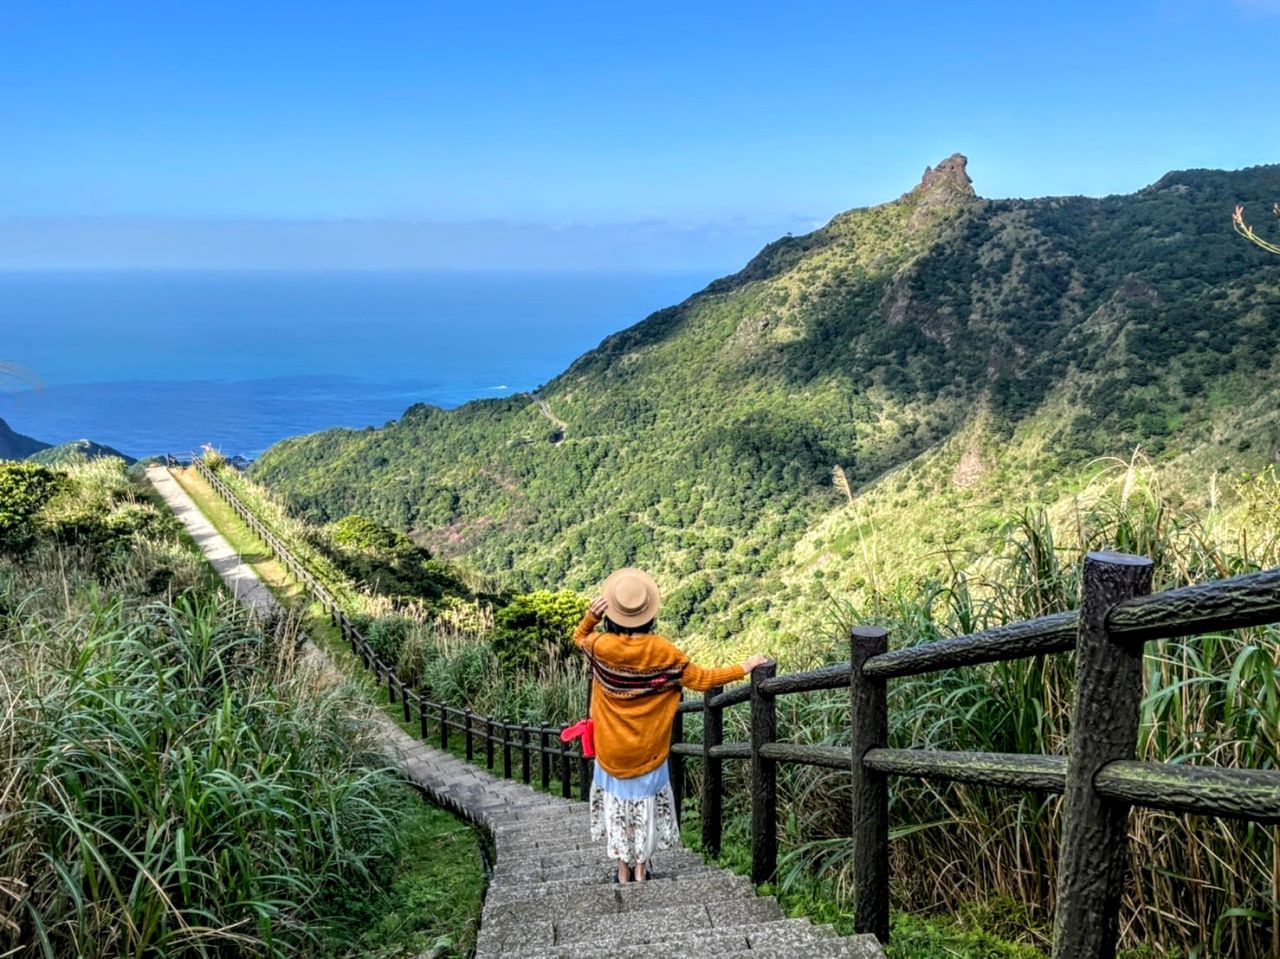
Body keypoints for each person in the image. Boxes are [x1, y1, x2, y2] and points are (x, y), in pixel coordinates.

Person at [572, 567, 769, 884]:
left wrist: (589, 617)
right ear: (648, 614)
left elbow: (578, 638)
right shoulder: (663, 652)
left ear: (611, 612)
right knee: (644, 810)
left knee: (618, 810)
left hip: (611, 753)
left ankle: (622, 871)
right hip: (648, 753)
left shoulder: (600, 647)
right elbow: (704, 680)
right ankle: (641, 869)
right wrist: (744, 667)